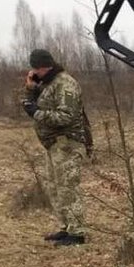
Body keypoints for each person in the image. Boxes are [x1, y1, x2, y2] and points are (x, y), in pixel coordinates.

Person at [22, 49, 93, 246]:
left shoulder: (65, 83)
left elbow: (65, 117)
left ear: (44, 66)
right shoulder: (48, 85)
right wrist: (31, 89)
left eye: (36, 69)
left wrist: (36, 113)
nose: (34, 72)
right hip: (54, 145)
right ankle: (66, 227)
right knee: (55, 188)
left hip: (67, 143)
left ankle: (77, 233)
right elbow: (37, 102)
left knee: (68, 187)